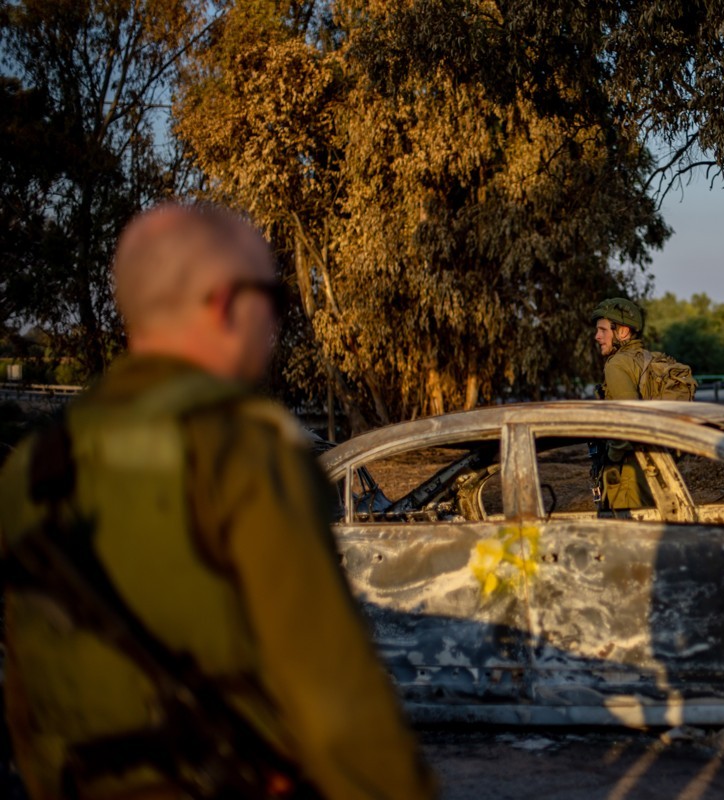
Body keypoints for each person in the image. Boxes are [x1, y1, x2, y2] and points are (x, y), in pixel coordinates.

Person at [0, 202, 435, 800]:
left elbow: (25, 704)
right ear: (226, 304)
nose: (275, 327)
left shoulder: (31, 468)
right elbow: (337, 704)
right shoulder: (238, 448)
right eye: (274, 303)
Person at [590, 298, 654, 511]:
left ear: (623, 332)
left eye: (603, 330)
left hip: (629, 474)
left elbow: (630, 423)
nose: (597, 336)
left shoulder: (616, 365)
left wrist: (611, 460)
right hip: (653, 469)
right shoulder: (645, 359)